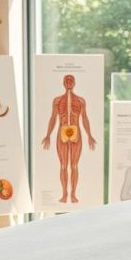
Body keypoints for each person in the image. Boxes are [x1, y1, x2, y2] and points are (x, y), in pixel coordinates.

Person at [42, 74, 96, 203]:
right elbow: (53, 118)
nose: (69, 82)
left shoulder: (81, 101)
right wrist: (48, 134)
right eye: (67, 80)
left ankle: (73, 195)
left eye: (71, 80)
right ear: (63, 83)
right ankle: (64, 194)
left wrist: (89, 135)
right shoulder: (57, 101)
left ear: (74, 83)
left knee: (75, 165)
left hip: (77, 133)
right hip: (62, 133)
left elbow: (85, 118)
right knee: (63, 166)